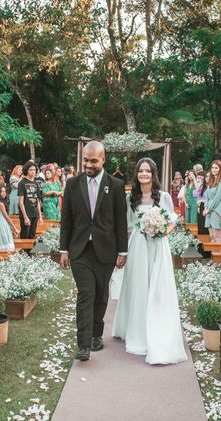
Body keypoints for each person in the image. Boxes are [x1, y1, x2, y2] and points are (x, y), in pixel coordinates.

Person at [112, 158, 187, 365]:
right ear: (136, 174)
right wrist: (123, 253)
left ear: (153, 174)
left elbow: (173, 221)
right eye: (140, 171)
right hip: (138, 246)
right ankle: (136, 331)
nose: (144, 174)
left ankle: (159, 328)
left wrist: (161, 231)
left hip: (158, 246)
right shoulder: (131, 197)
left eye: (147, 171)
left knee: (157, 287)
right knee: (138, 287)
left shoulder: (163, 197)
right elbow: (127, 227)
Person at [59, 141, 128, 361]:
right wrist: (63, 249)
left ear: (103, 159)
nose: (88, 164)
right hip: (79, 249)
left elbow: (120, 221)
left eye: (93, 161)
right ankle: (83, 344)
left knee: (101, 295)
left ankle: (97, 334)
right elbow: (66, 220)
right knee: (86, 293)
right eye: (85, 160)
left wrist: (122, 252)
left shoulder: (115, 185)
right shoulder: (72, 184)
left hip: (106, 249)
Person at [0, 184, 20, 252]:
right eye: (2, 192)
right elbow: (7, 218)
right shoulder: (1, 204)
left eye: (5, 191)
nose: (4, 193)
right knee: (5, 239)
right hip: (2, 223)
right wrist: (14, 228)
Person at [18, 161, 44, 239]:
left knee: (32, 235)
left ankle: (30, 251)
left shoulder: (36, 183)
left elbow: (38, 201)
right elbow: (21, 202)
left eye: (34, 170)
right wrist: (25, 217)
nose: (33, 172)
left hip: (34, 213)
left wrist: (40, 216)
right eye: (31, 170)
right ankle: (24, 251)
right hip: (26, 213)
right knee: (25, 235)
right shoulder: (22, 183)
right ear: (26, 170)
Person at [204, 160, 221, 243]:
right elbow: (207, 196)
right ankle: (213, 255)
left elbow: (217, 198)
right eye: (213, 168)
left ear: (220, 169)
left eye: (216, 168)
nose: (214, 169)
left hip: (217, 209)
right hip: (208, 210)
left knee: (217, 235)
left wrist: (209, 209)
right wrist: (205, 207)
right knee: (211, 236)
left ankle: (220, 254)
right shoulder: (211, 181)